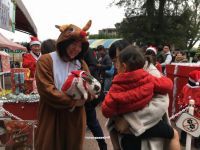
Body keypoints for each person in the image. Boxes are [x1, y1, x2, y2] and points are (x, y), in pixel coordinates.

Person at [106, 40, 180, 150]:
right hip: (127, 134)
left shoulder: (149, 71)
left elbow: (161, 101)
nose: (116, 64)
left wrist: (130, 121)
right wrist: (115, 119)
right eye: (114, 60)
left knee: (173, 134)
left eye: (118, 58)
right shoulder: (122, 73)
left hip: (147, 131)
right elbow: (112, 101)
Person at [35, 20, 92, 150]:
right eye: (74, 44)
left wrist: (88, 96)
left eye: (80, 46)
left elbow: (91, 87)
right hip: (51, 115)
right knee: (49, 144)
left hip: (74, 118)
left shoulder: (80, 64)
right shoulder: (46, 60)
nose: (77, 49)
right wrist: (73, 102)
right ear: (65, 42)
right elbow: (47, 90)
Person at [83, 48, 108, 150]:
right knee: (93, 122)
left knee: (92, 122)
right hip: (92, 94)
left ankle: (103, 145)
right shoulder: (89, 58)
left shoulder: (85, 64)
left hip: (89, 96)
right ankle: (103, 145)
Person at [178, 70, 200, 148]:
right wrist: (181, 104)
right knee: (185, 125)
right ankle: (183, 140)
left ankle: (197, 141)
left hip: (197, 113)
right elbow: (181, 96)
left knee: (198, 127)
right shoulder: (185, 87)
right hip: (186, 111)